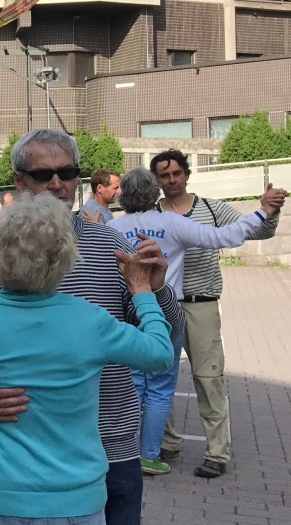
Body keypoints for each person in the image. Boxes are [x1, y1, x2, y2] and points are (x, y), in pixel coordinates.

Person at [0, 129, 183, 525]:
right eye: (42, 174)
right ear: (18, 180)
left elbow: (168, 335)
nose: (57, 183)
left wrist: (157, 290)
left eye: (67, 172)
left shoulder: (112, 247)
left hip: (112, 444)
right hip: (22, 459)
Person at [110, 168, 282, 476]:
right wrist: (262, 212)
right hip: (165, 310)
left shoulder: (113, 226)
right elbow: (222, 236)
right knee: (161, 388)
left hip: (127, 312)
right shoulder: (172, 223)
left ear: (122, 193)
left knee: (133, 383)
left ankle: (125, 454)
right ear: (154, 192)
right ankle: (148, 456)